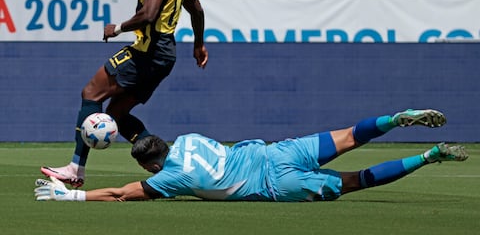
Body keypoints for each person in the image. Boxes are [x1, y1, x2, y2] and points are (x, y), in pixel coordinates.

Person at [40, 0, 208, 188]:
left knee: (91, 93)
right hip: (165, 57)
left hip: (147, 53)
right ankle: (168, 166)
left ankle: (75, 167)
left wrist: (118, 28)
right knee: (116, 113)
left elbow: (149, 13)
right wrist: (198, 44)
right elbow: (197, 10)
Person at [34, 109, 469, 202]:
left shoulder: (170, 179)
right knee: (351, 135)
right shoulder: (187, 139)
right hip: (276, 152)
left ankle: (430, 155)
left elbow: (121, 194)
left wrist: (67, 196)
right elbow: (150, 142)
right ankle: (398, 119)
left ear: (151, 165)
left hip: (275, 184)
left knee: (358, 181)